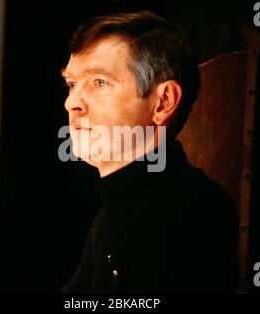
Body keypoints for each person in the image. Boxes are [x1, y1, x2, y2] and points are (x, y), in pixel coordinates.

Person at [60, 10, 238, 294]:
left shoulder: (190, 210)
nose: (71, 102)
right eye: (71, 84)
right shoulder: (115, 209)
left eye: (99, 82)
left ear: (163, 102)